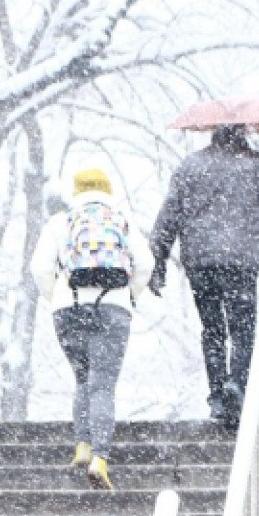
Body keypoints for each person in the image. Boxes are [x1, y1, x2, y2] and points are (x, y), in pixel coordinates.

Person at [148, 125, 259, 428]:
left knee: (212, 328)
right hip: (240, 261)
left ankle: (216, 393)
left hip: (201, 261)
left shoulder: (190, 166)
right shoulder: (258, 164)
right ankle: (236, 386)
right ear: (243, 133)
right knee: (242, 329)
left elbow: (169, 216)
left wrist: (158, 261)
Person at [32, 167, 155, 490]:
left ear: (76, 190)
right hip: (113, 308)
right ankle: (100, 457)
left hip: (67, 310)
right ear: (107, 189)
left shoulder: (61, 221)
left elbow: (40, 267)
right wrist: (129, 295)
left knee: (83, 378)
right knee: (102, 384)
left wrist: (57, 297)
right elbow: (146, 264)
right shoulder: (120, 219)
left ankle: (82, 445)